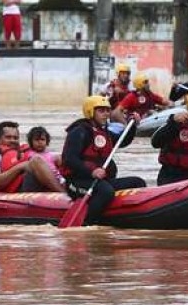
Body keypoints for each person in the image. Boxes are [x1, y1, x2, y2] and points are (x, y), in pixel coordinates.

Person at [61, 95, 147, 225]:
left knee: (137, 182)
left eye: (107, 110)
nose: (106, 114)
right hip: (77, 182)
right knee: (106, 191)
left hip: (100, 181)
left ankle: (126, 218)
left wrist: (132, 125)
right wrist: (92, 171)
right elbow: (69, 159)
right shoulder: (79, 132)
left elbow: (122, 141)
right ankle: (88, 223)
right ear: (90, 112)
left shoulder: (104, 132)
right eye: (101, 111)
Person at [0, 121, 65, 193]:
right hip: (19, 189)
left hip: (39, 182)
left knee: (61, 158)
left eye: (15, 138)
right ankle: (63, 193)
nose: (12, 140)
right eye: (8, 137)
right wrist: (21, 166)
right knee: (36, 160)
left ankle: (73, 187)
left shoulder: (25, 151)